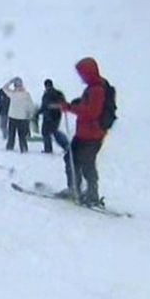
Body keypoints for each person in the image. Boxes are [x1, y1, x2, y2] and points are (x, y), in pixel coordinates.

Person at [58, 57, 108, 206]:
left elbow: (92, 112)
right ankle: (76, 188)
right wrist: (74, 104)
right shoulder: (94, 87)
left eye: (82, 74)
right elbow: (87, 105)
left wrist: (71, 108)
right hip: (85, 133)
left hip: (91, 134)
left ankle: (90, 194)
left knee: (85, 163)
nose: (81, 77)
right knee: (73, 159)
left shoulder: (97, 89)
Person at [1, 77, 37, 153]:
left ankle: (10, 147)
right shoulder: (26, 94)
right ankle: (23, 148)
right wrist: (30, 115)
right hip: (23, 118)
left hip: (13, 117)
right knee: (22, 136)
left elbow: (4, 88)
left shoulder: (13, 94)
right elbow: (31, 106)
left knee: (11, 134)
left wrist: (10, 81)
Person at [37, 79, 68, 153]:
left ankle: (64, 146)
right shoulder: (55, 93)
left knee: (50, 132)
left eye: (48, 85)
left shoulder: (52, 94)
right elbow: (44, 106)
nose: (47, 87)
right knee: (50, 132)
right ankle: (64, 146)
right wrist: (38, 112)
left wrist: (39, 112)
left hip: (51, 116)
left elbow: (61, 104)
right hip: (52, 116)